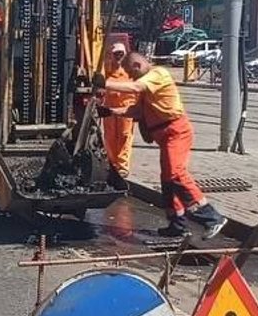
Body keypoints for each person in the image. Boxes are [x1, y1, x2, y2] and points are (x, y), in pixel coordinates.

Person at [96, 51, 227, 239]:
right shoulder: (147, 85)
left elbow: (135, 87)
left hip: (176, 131)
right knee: (167, 180)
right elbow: (137, 110)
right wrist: (110, 111)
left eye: (130, 72)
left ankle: (211, 217)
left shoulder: (158, 74)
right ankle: (177, 224)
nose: (131, 77)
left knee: (176, 173)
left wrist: (105, 83)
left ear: (137, 66)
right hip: (164, 134)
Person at [101, 40, 136, 180]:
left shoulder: (130, 71)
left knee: (124, 136)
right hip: (109, 109)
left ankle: (122, 166)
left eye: (121, 54)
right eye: (116, 54)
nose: (119, 56)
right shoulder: (107, 70)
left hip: (126, 109)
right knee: (110, 137)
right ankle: (112, 164)